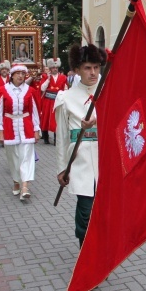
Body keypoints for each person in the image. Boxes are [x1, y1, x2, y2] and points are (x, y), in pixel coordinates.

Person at [55, 43, 106, 247]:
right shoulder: (65, 98)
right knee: (85, 212)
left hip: (106, 162)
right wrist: (61, 168)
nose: (93, 72)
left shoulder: (109, 92)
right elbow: (62, 138)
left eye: (96, 67)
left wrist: (99, 122)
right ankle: (86, 255)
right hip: (81, 164)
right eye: (87, 68)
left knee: (106, 213)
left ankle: (104, 255)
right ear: (77, 69)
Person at [0, 64, 41, 201]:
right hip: (9, 128)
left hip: (26, 127)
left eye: (23, 73)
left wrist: (36, 130)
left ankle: (25, 187)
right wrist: (0, 131)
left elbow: (34, 111)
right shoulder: (2, 91)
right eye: (18, 73)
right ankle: (16, 181)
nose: (21, 76)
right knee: (13, 158)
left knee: (26, 157)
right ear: (12, 75)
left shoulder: (30, 91)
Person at [40, 58, 68, 144]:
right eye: (53, 67)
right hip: (48, 101)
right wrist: (48, 79)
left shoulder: (63, 77)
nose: (55, 69)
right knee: (46, 118)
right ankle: (45, 137)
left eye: (56, 67)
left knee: (56, 118)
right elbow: (42, 88)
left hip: (58, 100)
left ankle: (56, 138)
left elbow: (65, 88)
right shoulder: (45, 77)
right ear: (50, 68)